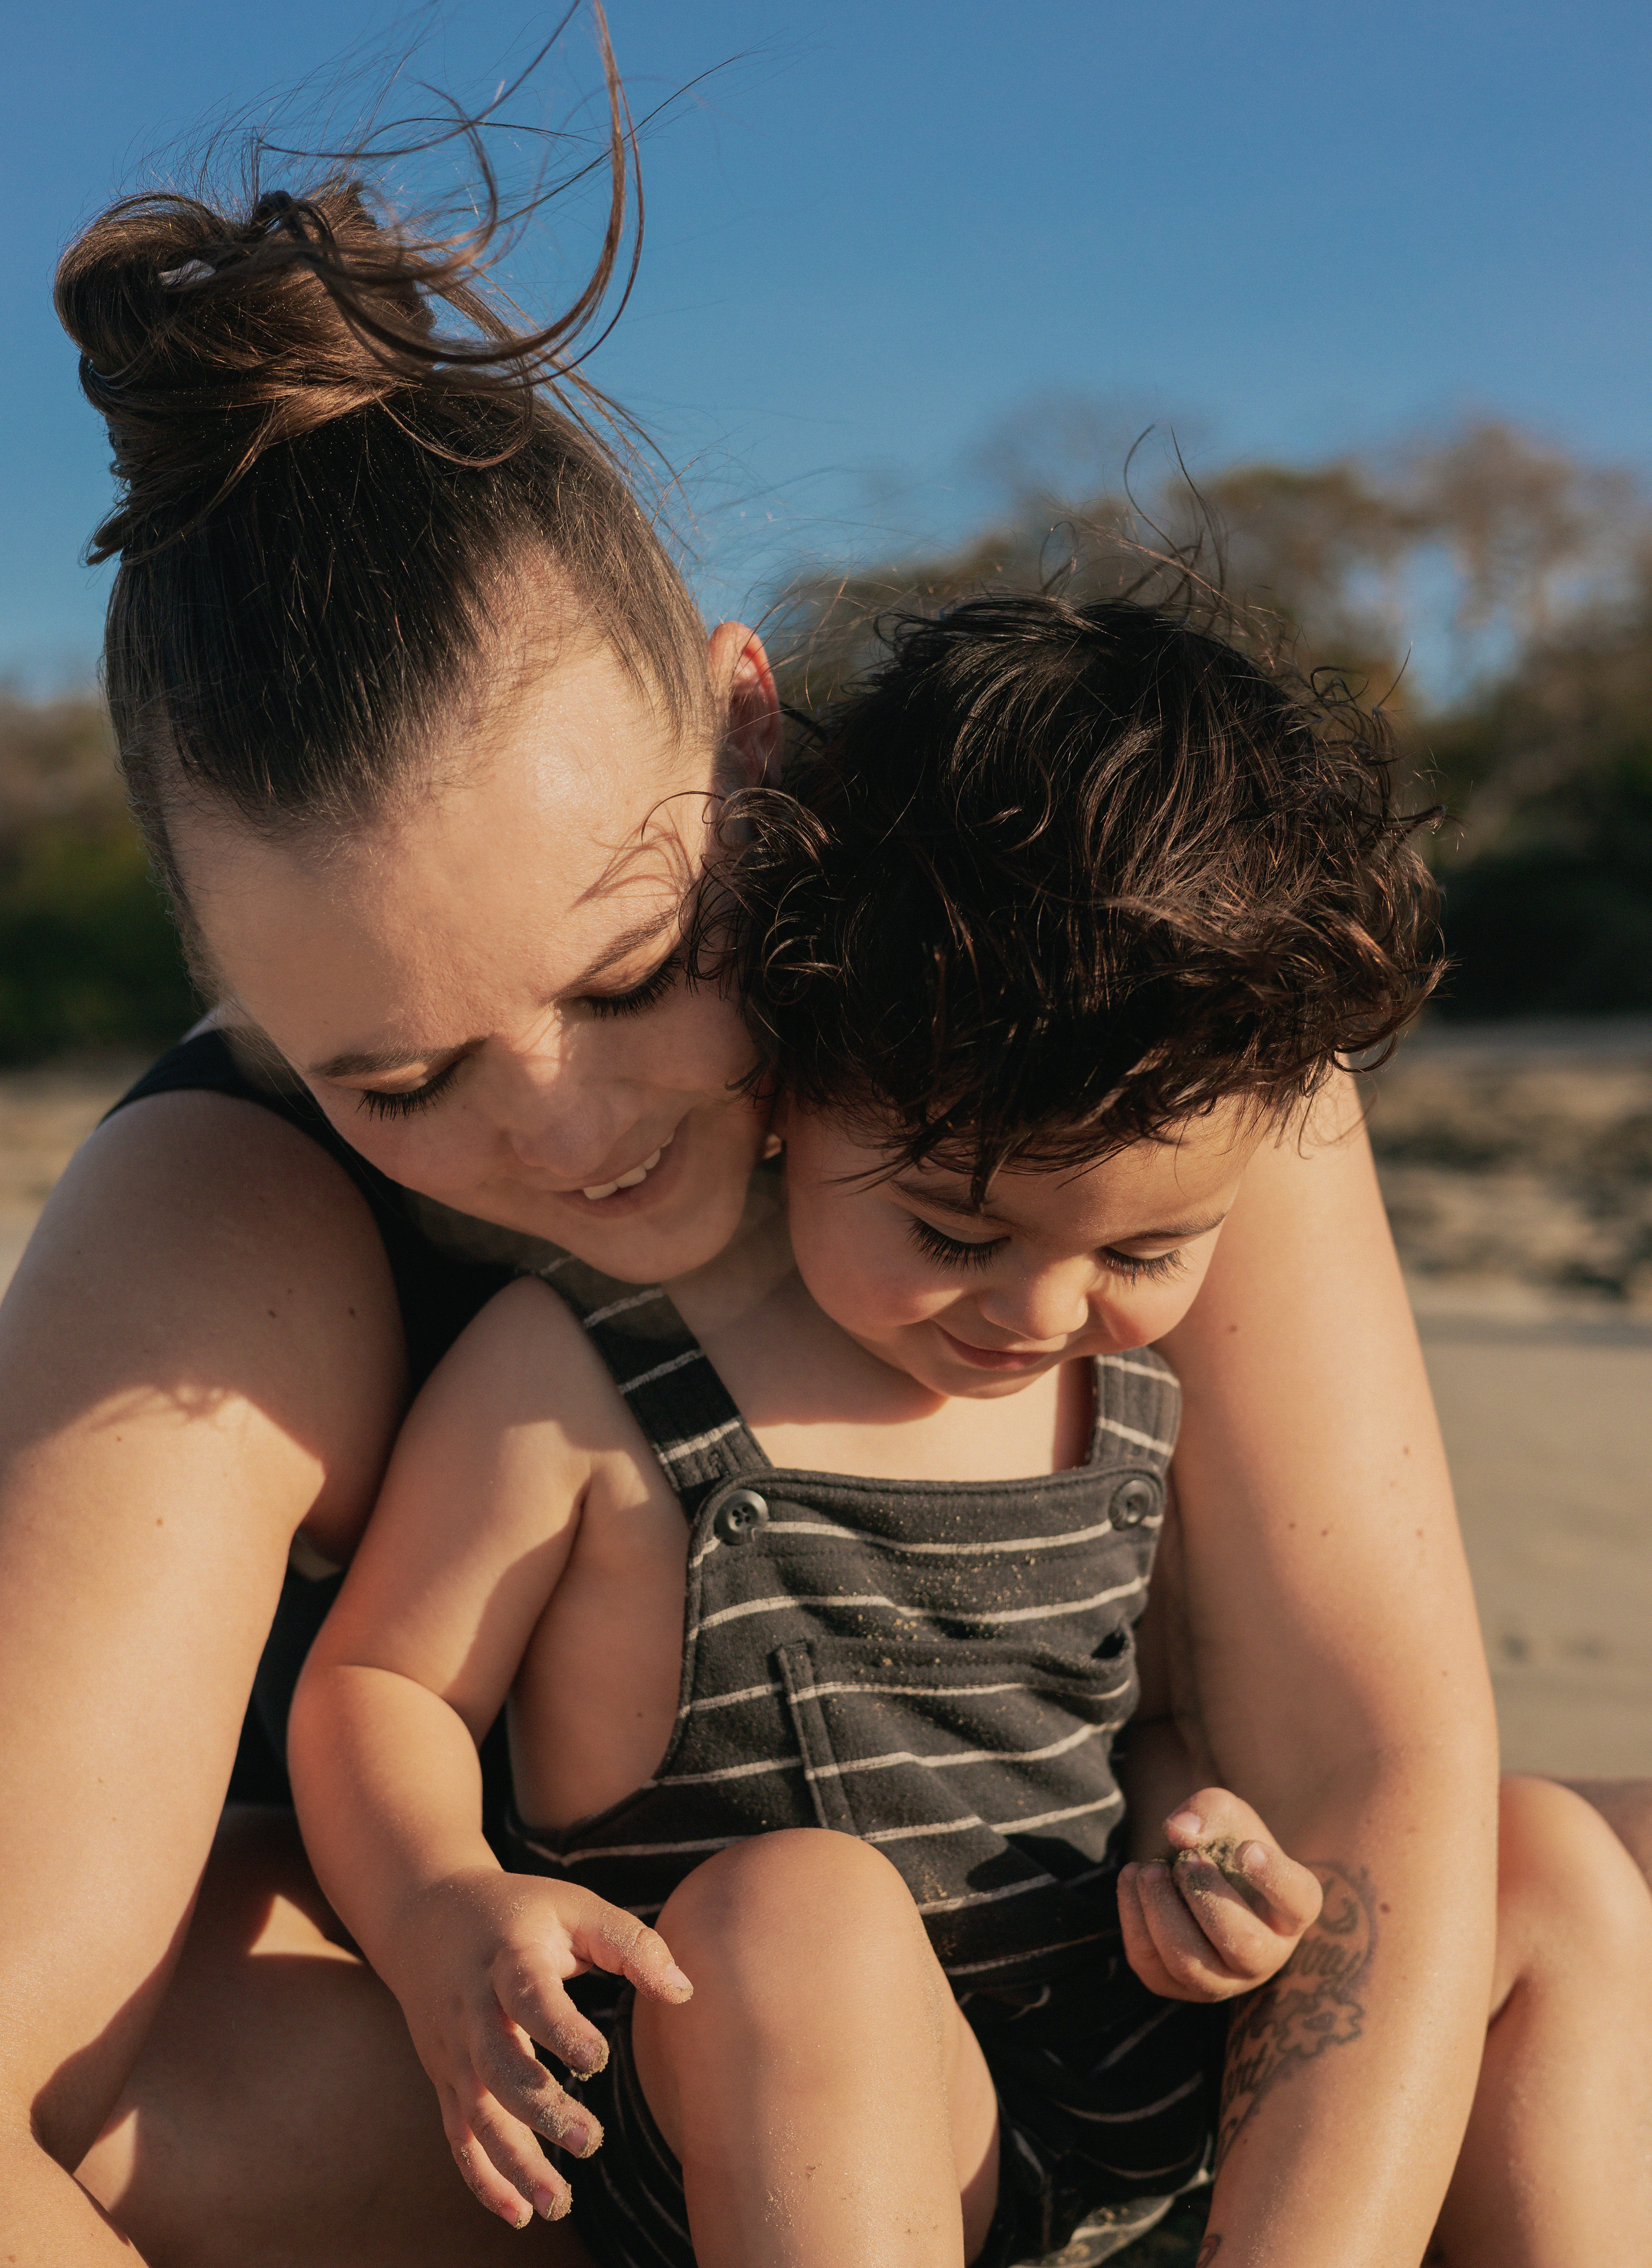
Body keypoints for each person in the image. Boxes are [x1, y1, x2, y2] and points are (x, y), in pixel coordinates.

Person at [3, 45, 1638, 2266]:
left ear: (752, 731)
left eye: (634, 962)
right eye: (401, 1081)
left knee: (1568, 1858)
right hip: (631, 2089)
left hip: (1081, 2005)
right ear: (243, 1009)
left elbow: (1366, 1750)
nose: (562, 1134)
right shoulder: (222, 1220)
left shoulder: (1104, 973)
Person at [288, 595, 1652, 2267]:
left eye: (1148, 1251)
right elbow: (384, 1685)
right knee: (808, 1922)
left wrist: (1195, 1835)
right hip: (785, 2134)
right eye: (955, 1229)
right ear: (790, 1068)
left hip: (1108, 2094)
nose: (1044, 1309)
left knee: (1543, 1862)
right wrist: (434, 1899)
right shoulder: (580, 1385)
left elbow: (1125, 1711)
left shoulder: (1122, 1398)